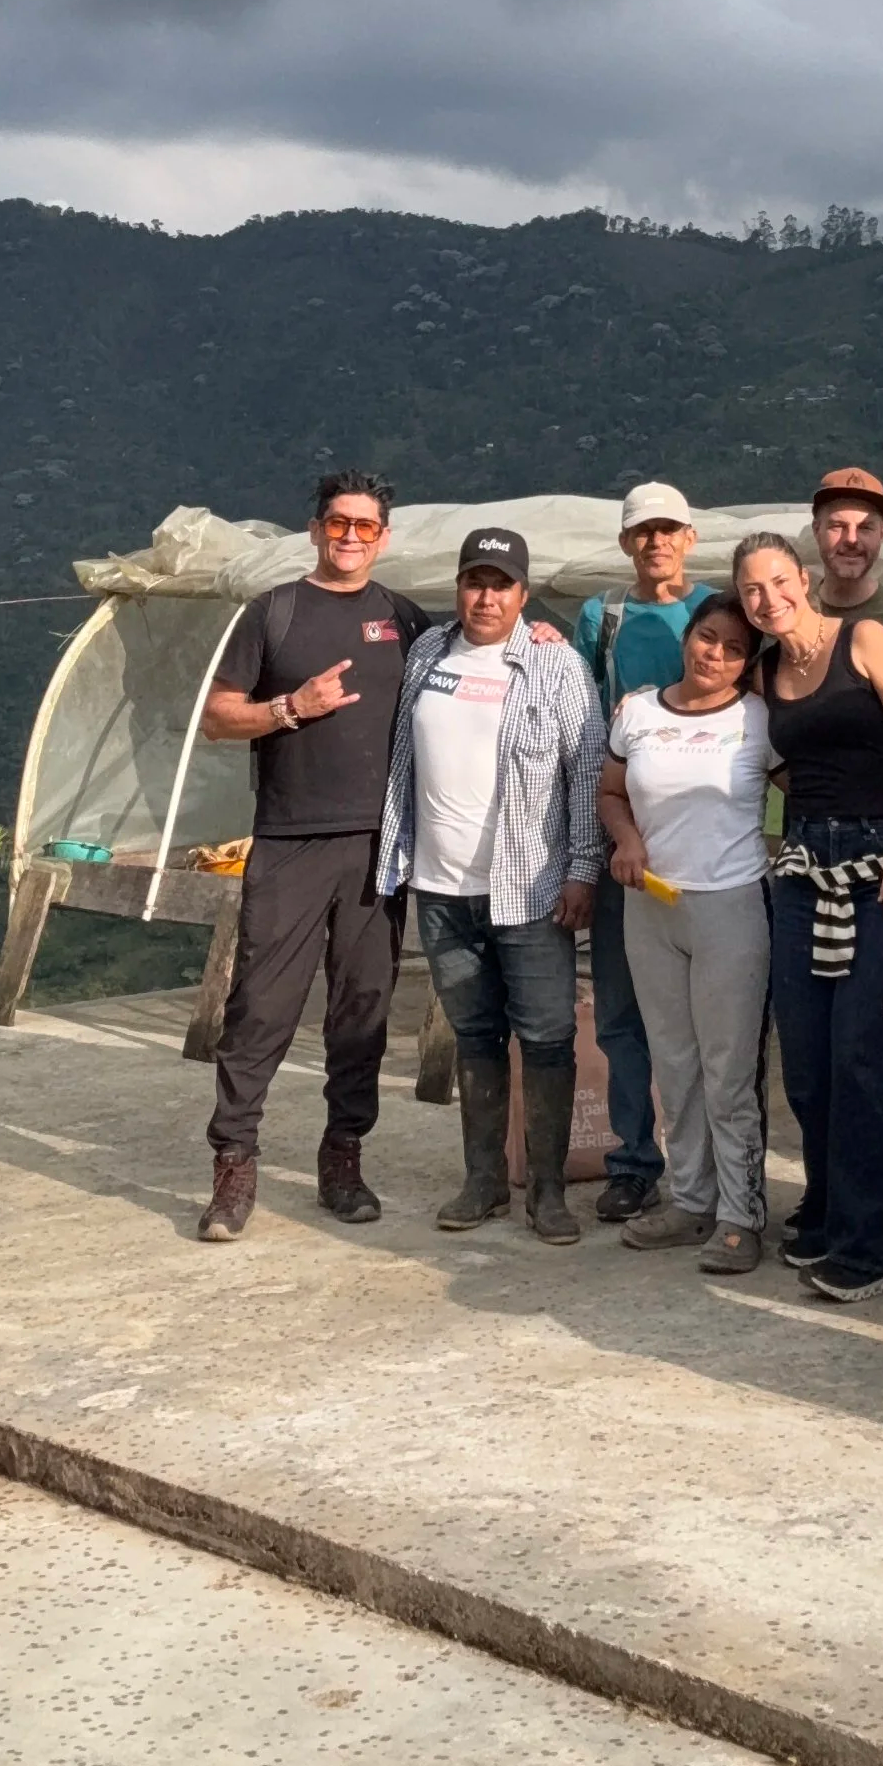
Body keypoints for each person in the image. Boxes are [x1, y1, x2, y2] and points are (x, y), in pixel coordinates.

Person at [195, 470, 432, 1242]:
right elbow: (218, 717)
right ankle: (235, 1164)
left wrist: (541, 631)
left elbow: (471, 659)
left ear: (384, 537)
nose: (352, 537)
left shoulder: (404, 617)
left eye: (366, 526)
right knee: (261, 1007)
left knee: (361, 1009)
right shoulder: (275, 612)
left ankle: (343, 1156)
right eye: (339, 523)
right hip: (290, 842)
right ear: (315, 529)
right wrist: (292, 708)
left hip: (378, 844)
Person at [377, 527, 606, 1245]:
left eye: (500, 584)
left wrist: (581, 870)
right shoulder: (428, 653)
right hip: (441, 886)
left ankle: (545, 1190)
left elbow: (588, 769)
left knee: (546, 1037)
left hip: (530, 887)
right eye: (474, 581)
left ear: (523, 593)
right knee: (475, 1033)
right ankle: (482, 1181)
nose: (485, 596)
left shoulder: (554, 662)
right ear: (458, 587)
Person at [737, 531, 883, 1302]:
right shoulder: (763, 670)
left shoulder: (867, 639)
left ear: (806, 578)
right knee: (809, 1058)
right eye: (752, 590)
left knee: (866, 1050)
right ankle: (826, 1207)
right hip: (802, 863)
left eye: (779, 581)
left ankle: (876, 1241)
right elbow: (777, 761)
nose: (767, 599)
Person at [596, 593, 776, 1273]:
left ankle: (740, 1214)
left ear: (749, 662)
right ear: (687, 636)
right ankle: (690, 1199)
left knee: (727, 1069)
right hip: (651, 905)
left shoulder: (758, 719)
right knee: (673, 1061)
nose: (715, 655)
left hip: (729, 903)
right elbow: (611, 794)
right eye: (707, 638)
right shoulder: (637, 712)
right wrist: (626, 841)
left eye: (734, 648)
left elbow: (803, 787)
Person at [571, 483, 716, 1225]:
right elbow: (581, 716)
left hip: (709, 849)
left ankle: (715, 1165)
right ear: (627, 543)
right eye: (642, 532)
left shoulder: (720, 612)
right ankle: (634, 1161)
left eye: (668, 530)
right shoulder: (602, 617)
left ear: (689, 537)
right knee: (624, 1013)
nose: (656, 542)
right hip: (624, 838)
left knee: (709, 1019)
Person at [808, 467, 883, 633]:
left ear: (882, 534)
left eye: (865, 528)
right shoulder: (789, 618)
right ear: (816, 530)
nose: (851, 539)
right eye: (838, 526)